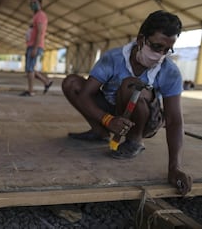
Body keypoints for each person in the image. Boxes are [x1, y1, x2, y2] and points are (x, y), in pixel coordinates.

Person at [62, 10, 192, 195]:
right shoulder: (113, 58)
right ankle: (100, 132)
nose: (161, 55)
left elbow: (174, 120)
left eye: (167, 50)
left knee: (131, 86)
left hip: (146, 119)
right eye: (156, 47)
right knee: (72, 83)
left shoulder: (170, 71)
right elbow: (84, 95)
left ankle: (134, 141)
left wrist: (175, 167)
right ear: (141, 40)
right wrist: (107, 120)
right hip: (114, 112)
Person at [20, 0, 53, 97]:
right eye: (31, 3)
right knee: (30, 69)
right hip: (31, 45)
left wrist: (35, 48)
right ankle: (46, 82)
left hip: (35, 45)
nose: (33, 5)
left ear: (40, 4)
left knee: (30, 69)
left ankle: (30, 91)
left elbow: (39, 32)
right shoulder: (36, 16)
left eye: (35, 3)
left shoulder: (40, 15)